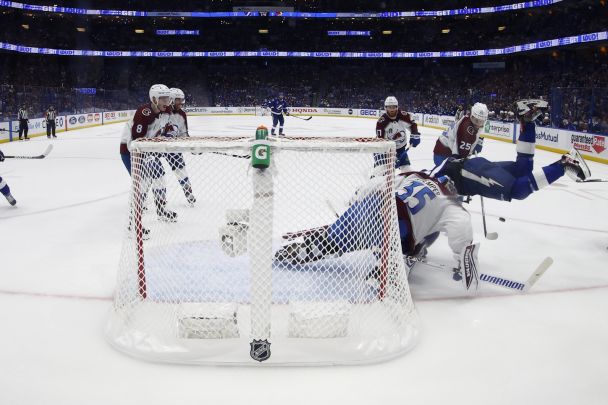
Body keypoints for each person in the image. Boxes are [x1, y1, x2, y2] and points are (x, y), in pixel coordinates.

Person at [434, 99, 591, 202]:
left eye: (481, 121)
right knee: (523, 169)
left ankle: (563, 165)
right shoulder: (468, 127)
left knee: (518, 190)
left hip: (464, 171)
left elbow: (455, 162)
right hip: (467, 168)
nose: (478, 123)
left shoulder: (468, 128)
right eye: (476, 120)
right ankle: (527, 123)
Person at [120, 83, 176, 222]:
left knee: (159, 177)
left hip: (147, 150)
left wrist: (167, 134)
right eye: (163, 98)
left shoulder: (167, 111)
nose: (167, 102)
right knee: (142, 183)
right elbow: (136, 141)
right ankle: (133, 222)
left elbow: (166, 128)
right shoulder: (143, 112)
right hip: (130, 151)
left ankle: (161, 210)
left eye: (168, 98)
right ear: (154, 99)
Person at [162, 87, 196, 205]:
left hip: (172, 147)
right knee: (152, 172)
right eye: (178, 100)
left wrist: (192, 146)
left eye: (182, 99)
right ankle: (143, 197)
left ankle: (188, 191)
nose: (181, 102)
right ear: (171, 99)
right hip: (155, 146)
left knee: (180, 169)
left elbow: (184, 134)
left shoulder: (182, 114)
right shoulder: (162, 111)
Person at [376, 96, 421, 172]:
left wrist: (415, 136)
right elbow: (381, 141)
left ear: (397, 107)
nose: (392, 109)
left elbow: (413, 125)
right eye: (389, 107)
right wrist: (390, 156)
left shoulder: (404, 116)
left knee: (407, 169)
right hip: (385, 150)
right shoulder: (381, 122)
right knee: (382, 172)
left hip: (401, 149)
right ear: (385, 108)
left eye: (394, 107)